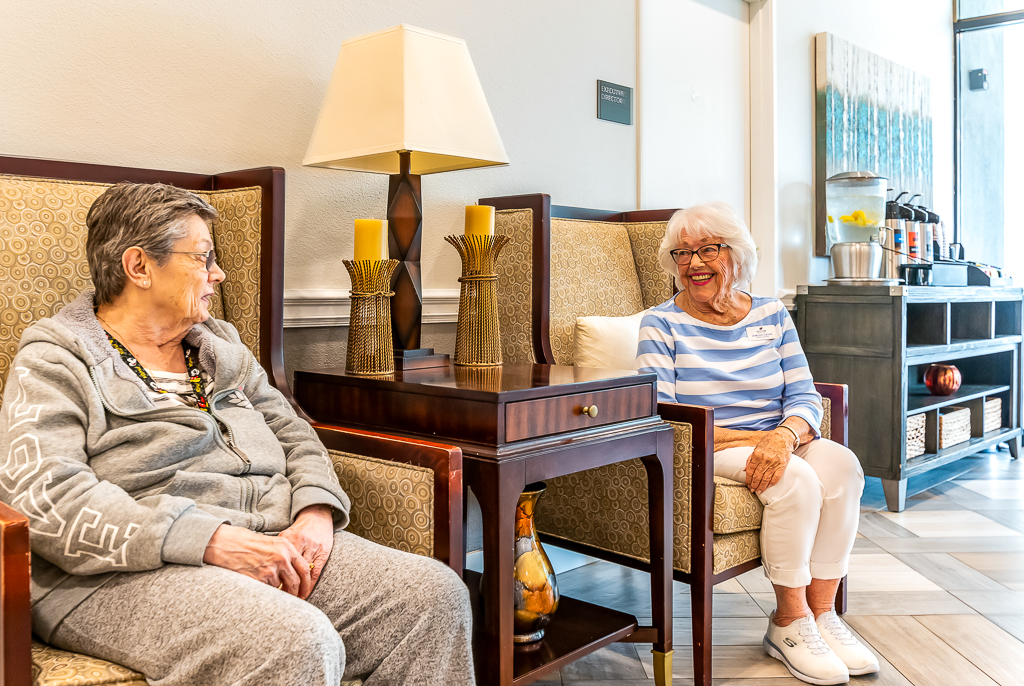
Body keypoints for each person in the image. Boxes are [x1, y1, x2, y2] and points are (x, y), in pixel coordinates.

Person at [0, 183, 474, 686]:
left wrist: (315, 511)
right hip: (121, 571)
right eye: (203, 258)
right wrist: (211, 541)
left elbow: (293, 432)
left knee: (432, 597)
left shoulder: (220, 347)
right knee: (292, 640)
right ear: (138, 267)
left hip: (268, 534)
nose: (218, 274)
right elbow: (44, 499)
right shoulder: (57, 360)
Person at [635, 202, 877, 685]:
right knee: (796, 481)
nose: (694, 264)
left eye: (708, 249)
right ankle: (788, 621)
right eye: (682, 254)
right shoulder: (659, 324)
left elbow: (805, 395)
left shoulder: (771, 313)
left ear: (737, 254)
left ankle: (822, 614)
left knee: (844, 468)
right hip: (714, 444)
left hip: (781, 436)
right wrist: (768, 441)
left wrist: (785, 434)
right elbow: (665, 413)